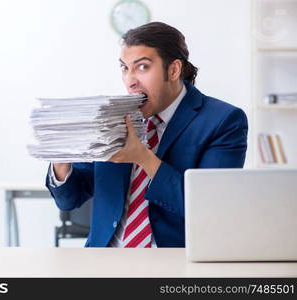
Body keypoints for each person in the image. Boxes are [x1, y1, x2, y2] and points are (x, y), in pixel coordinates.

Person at [45, 22, 248, 248]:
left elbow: (209, 208)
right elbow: (69, 200)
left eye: (142, 67)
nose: (130, 81)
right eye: (124, 68)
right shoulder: (113, 116)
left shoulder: (223, 121)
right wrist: (61, 158)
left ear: (173, 70)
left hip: (174, 263)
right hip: (104, 260)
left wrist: (143, 158)